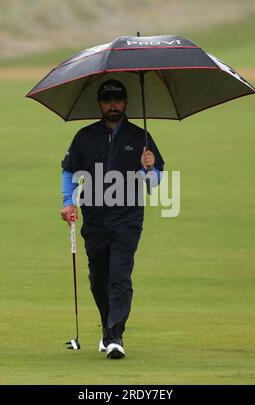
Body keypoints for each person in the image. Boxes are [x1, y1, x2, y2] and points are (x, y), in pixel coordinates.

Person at [60, 79, 164, 359]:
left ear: (126, 102)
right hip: (93, 220)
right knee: (98, 279)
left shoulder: (140, 137)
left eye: (117, 100)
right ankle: (108, 327)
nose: (113, 105)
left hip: (127, 219)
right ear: (100, 104)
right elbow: (69, 171)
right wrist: (68, 202)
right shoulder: (85, 136)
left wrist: (149, 169)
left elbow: (154, 184)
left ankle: (115, 337)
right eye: (108, 101)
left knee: (119, 276)